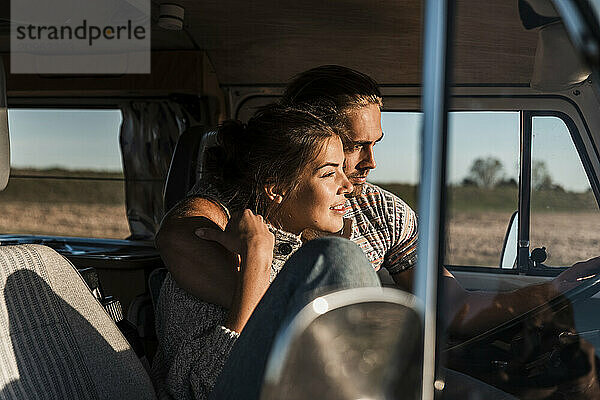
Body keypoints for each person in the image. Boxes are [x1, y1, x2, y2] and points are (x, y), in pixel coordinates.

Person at [156, 65, 600, 338]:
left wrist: (556, 289)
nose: (371, 163)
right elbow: (179, 239)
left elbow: (455, 308)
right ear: (311, 139)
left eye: (376, 143)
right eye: (354, 146)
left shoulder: (386, 214)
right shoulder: (241, 200)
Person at [151, 104, 383, 399]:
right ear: (275, 189)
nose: (347, 185)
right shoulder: (215, 251)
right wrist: (256, 259)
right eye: (328, 174)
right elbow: (199, 387)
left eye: (342, 170)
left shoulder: (299, 255)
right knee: (338, 255)